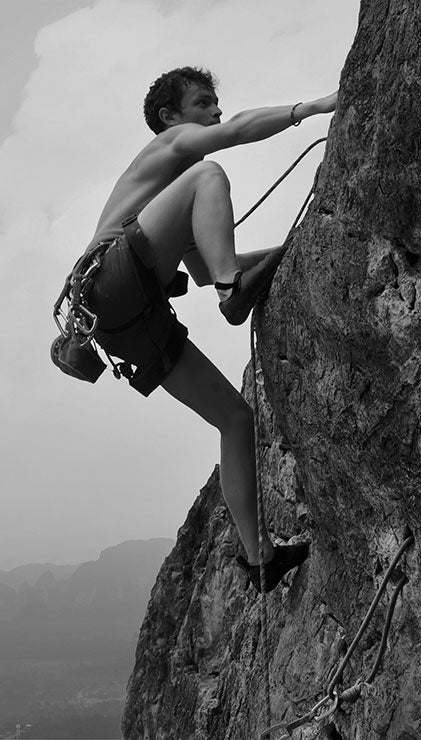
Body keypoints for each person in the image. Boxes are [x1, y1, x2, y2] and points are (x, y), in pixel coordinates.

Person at [77, 66, 336, 592]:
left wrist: (294, 249)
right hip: (108, 279)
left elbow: (203, 269)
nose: (215, 112)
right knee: (211, 171)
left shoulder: (175, 210)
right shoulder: (173, 149)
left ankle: (258, 556)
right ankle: (234, 291)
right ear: (170, 118)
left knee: (236, 420)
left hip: (123, 322)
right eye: (202, 104)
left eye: (216, 103)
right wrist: (312, 108)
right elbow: (237, 131)